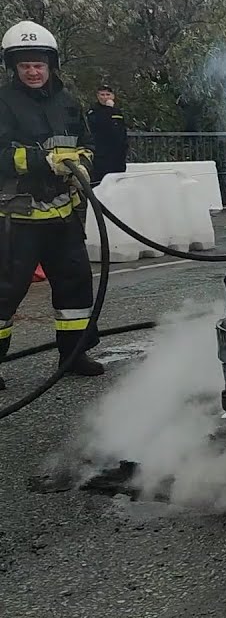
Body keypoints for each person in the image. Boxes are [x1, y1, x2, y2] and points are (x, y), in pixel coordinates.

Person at [0, 20, 104, 389]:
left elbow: (88, 144)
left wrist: (84, 164)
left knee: (75, 287)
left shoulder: (67, 102)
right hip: (17, 216)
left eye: (38, 64)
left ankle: (74, 355)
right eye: (24, 64)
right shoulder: (4, 102)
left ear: (50, 65)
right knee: (5, 290)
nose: (32, 71)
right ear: (14, 67)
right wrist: (40, 161)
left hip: (63, 213)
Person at [86, 83, 128, 183]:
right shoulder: (93, 111)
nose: (105, 97)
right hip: (101, 157)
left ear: (113, 96)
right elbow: (100, 126)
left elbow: (121, 130)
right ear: (98, 96)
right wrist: (109, 110)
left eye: (108, 94)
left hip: (117, 157)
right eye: (102, 95)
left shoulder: (117, 111)